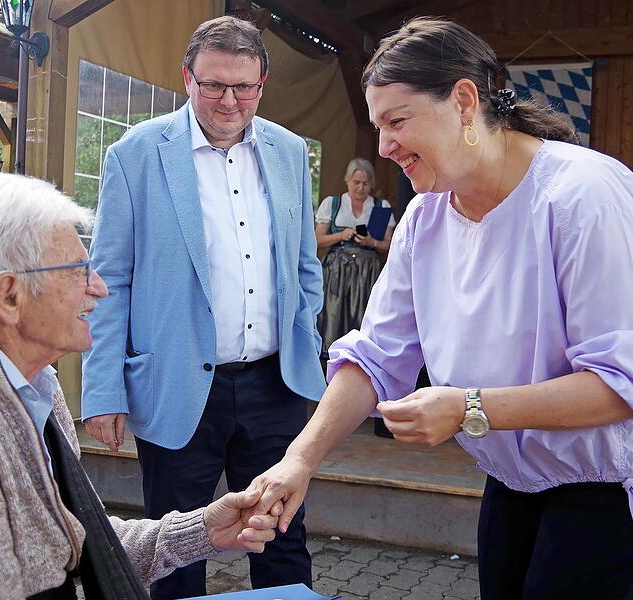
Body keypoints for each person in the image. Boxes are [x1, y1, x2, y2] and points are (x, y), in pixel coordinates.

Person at [247, 17, 633, 600]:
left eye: (397, 122)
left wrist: (468, 407)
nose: (383, 147)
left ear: (464, 100)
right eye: (378, 127)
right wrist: (298, 462)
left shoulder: (581, 195)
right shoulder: (425, 219)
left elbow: (618, 384)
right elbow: (376, 357)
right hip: (509, 482)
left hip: (602, 494)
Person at [0, 173, 280, 600]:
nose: (100, 288)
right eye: (78, 271)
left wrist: (202, 530)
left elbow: (70, 534)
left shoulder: (28, 381)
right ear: (10, 296)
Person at [80, 15, 326, 599]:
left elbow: (303, 268)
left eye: (244, 87)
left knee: (283, 539)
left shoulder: (290, 153)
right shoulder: (134, 154)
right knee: (175, 551)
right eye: (214, 84)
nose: (229, 100)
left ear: (262, 84)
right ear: (186, 78)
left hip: (278, 386)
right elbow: (109, 278)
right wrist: (104, 389)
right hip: (176, 385)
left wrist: (306, 345)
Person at [314, 157, 395, 354]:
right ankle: (329, 361)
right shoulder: (332, 204)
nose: (360, 188)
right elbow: (316, 241)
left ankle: (362, 360)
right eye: (356, 182)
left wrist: (372, 242)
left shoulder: (380, 206)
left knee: (364, 316)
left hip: (367, 273)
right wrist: (341, 235)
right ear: (347, 180)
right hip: (336, 271)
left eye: (365, 183)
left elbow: (390, 246)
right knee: (334, 316)